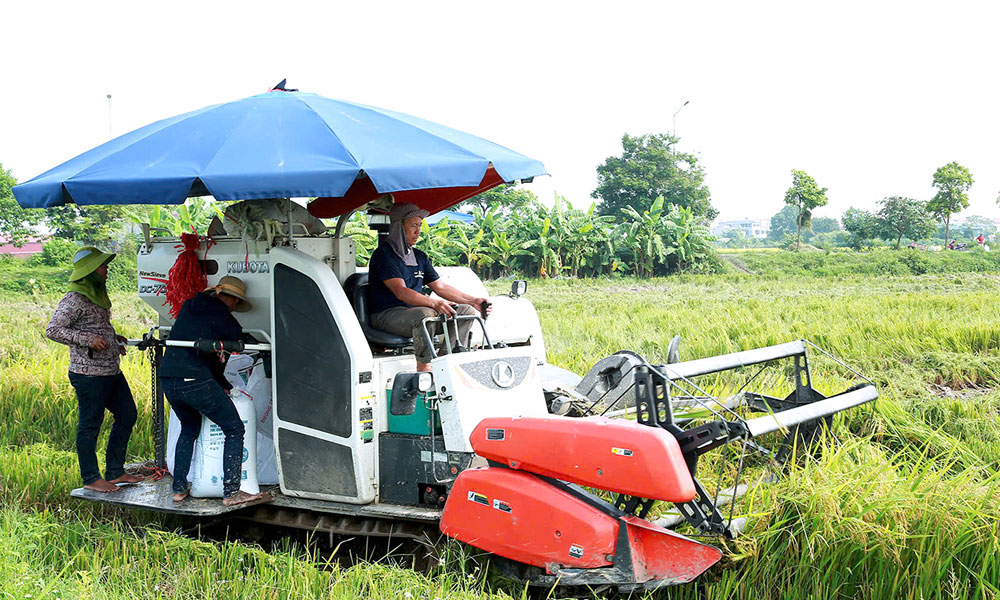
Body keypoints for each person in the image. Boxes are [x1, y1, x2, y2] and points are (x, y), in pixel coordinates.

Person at [158, 276, 267, 506]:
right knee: (234, 428)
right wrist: (223, 384)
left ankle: (178, 490)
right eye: (236, 301)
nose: (236, 306)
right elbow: (222, 355)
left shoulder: (189, 306)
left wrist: (222, 385)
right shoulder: (225, 319)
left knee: (189, 428)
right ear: (230, 298)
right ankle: (232, 492)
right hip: (195, 380)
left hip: (169, 378)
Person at [47, 247, 143, 493]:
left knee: (128, 414)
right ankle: (91, 477)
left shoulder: (98, 294)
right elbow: (54, 330)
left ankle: (115, 471)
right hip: (89, 374)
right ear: (89, 270)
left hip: (110, 370)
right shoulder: (74, 298)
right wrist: (88, 339)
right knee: (90, 425)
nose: (106, 269)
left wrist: (113, 339)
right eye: (102, 266)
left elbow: (99, 326)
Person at [368, 203, 492, 372]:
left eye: (419, 225)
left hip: (414, 314)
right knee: (425, 315)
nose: (418, 231)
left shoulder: (419, 256)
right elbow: (401, 291)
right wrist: (434, 304)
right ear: (399, 227)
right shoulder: (384, 255)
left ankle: (445, 362)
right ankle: (425, 368)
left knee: (465, 311)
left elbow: (440, 286)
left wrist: (474, 301)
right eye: (413, 225)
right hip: (386, 315)